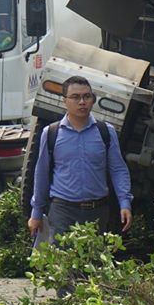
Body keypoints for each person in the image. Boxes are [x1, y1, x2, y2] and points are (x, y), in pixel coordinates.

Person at [27, 75, 132, 244]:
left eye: (87, 96)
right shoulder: (52, 133)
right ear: (64, 101)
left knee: (93, 266)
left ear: (92, 100)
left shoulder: (106, 132)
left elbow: (118, 169)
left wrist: (125, 203)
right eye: (75, 97)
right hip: (63, 211)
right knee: (63, 266)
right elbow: (41, 174)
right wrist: (36, 213)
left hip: (97, 212)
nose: (82, 102)